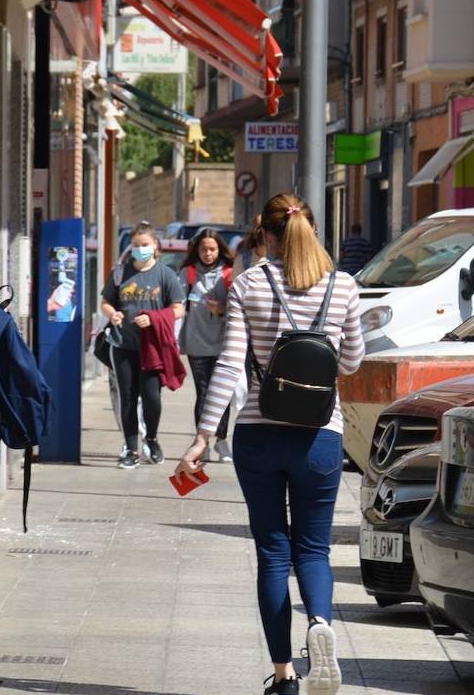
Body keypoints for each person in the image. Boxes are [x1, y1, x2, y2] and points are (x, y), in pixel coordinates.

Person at [176, 193, 364, 695]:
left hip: (258, 435)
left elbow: (230, 364)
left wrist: (202, 435)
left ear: (266, 233)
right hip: (321, 438)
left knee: (272, 553)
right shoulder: (344, 286)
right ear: (313, 229)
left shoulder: (250, 284)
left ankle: (282, 677)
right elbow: (350, 364)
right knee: (313, 549)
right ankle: (320, 624)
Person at [100, 222, 186, 469]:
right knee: (127, 397)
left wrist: (154, 318)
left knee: (151, 397)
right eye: (136, 245)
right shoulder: (119, 273)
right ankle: (131, 448)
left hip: (153, 346)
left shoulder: (165, 275)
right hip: (123, 343)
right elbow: (106, 302)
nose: (140, 249)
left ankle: (152, 438)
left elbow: (179, 308)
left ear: (155, 246)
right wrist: (112, 314)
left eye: (145, 245)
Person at [178, 229, 235, 462]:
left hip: (223, 343)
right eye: (203, 249)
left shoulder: (229, 274)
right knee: (203, 392)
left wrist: (222, 309)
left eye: (212, 249)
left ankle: (222, 440)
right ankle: (204, 444)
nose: (208, 254)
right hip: (196, 344)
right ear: (196, 251)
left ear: (219, 250)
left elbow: (238, 309)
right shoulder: (187, 273)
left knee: (222, 393)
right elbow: (177, 304)